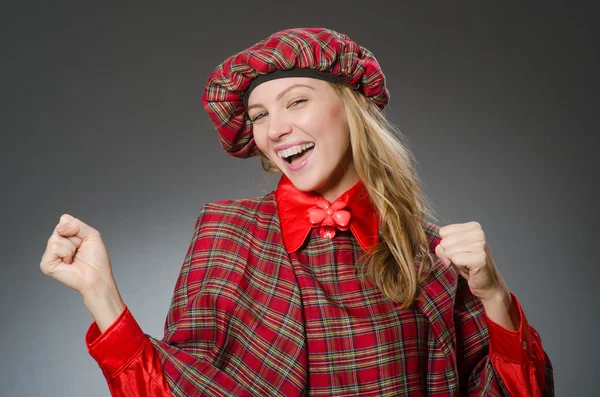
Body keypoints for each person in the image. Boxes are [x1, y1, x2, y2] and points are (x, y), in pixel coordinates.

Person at [40, 27, 554, 396]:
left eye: (297, 101)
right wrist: (101, 296)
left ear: (351, 110)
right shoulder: (224, 232)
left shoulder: (430, 251)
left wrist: (493, 294)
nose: (276, 128)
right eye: (261, 115)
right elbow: (173, 388)